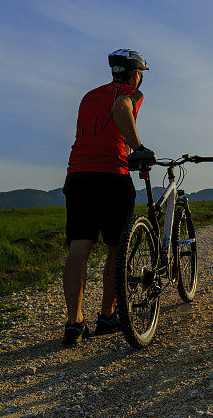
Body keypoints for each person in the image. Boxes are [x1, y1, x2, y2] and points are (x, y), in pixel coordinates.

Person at [62, 49, 156, 346]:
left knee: (79, 249)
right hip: (111, 176)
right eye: (140, 74)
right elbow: (120, 108)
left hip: (78, 175)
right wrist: (137, 148)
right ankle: (107, 315)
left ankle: (74, 324)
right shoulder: (129, 92)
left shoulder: (89, 95)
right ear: (135, 74)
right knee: (118, 248)